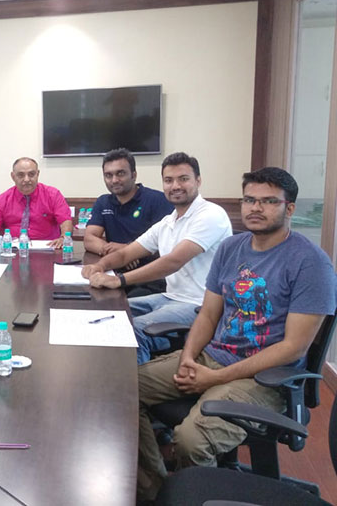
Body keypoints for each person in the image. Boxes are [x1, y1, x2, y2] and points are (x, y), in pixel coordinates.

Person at [136, 167, 337, 502]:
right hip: (211, 357)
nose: (255, 208)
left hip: (262, 377)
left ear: (289, 208)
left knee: (191, 440)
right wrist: (188, 357)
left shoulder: (311, 264)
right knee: (122, 392)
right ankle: (159, 493)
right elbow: (208, 314)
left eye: (268, 201)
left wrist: (214, 379)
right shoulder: (231, 248)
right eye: (249, 200)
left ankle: (196, 495)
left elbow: (293, 348)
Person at [82, 152, 232, 364]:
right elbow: (126, 253)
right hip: (170, 297)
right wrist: (100, 265)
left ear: (198, 181)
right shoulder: (168, 222)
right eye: (169, 180)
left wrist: (120, 280)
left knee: (130, 330)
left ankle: (134, 384)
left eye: (183, 179)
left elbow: (173, 261)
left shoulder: (211, 215)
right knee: (104, 310)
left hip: (199, 305)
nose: (175, 186)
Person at [84, 148, 174, 296]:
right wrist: (117, 252)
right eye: (108, 175)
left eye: (120, 173)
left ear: (134, 175)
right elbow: (89, 239)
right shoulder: (103, 202)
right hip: (113, 270)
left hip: (149, 278)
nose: (114, 180)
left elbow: (168, 246)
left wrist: (130, 251)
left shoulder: (158, 200)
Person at [0, 157, 72, 248]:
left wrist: (63, 238)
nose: (27, 179)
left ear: (37, 174)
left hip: (48, 247)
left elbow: (65, 221)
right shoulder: (3, 199)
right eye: (21, 175)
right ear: (13, 176)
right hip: (13, 249)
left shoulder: (53, 195)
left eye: (31, 174)